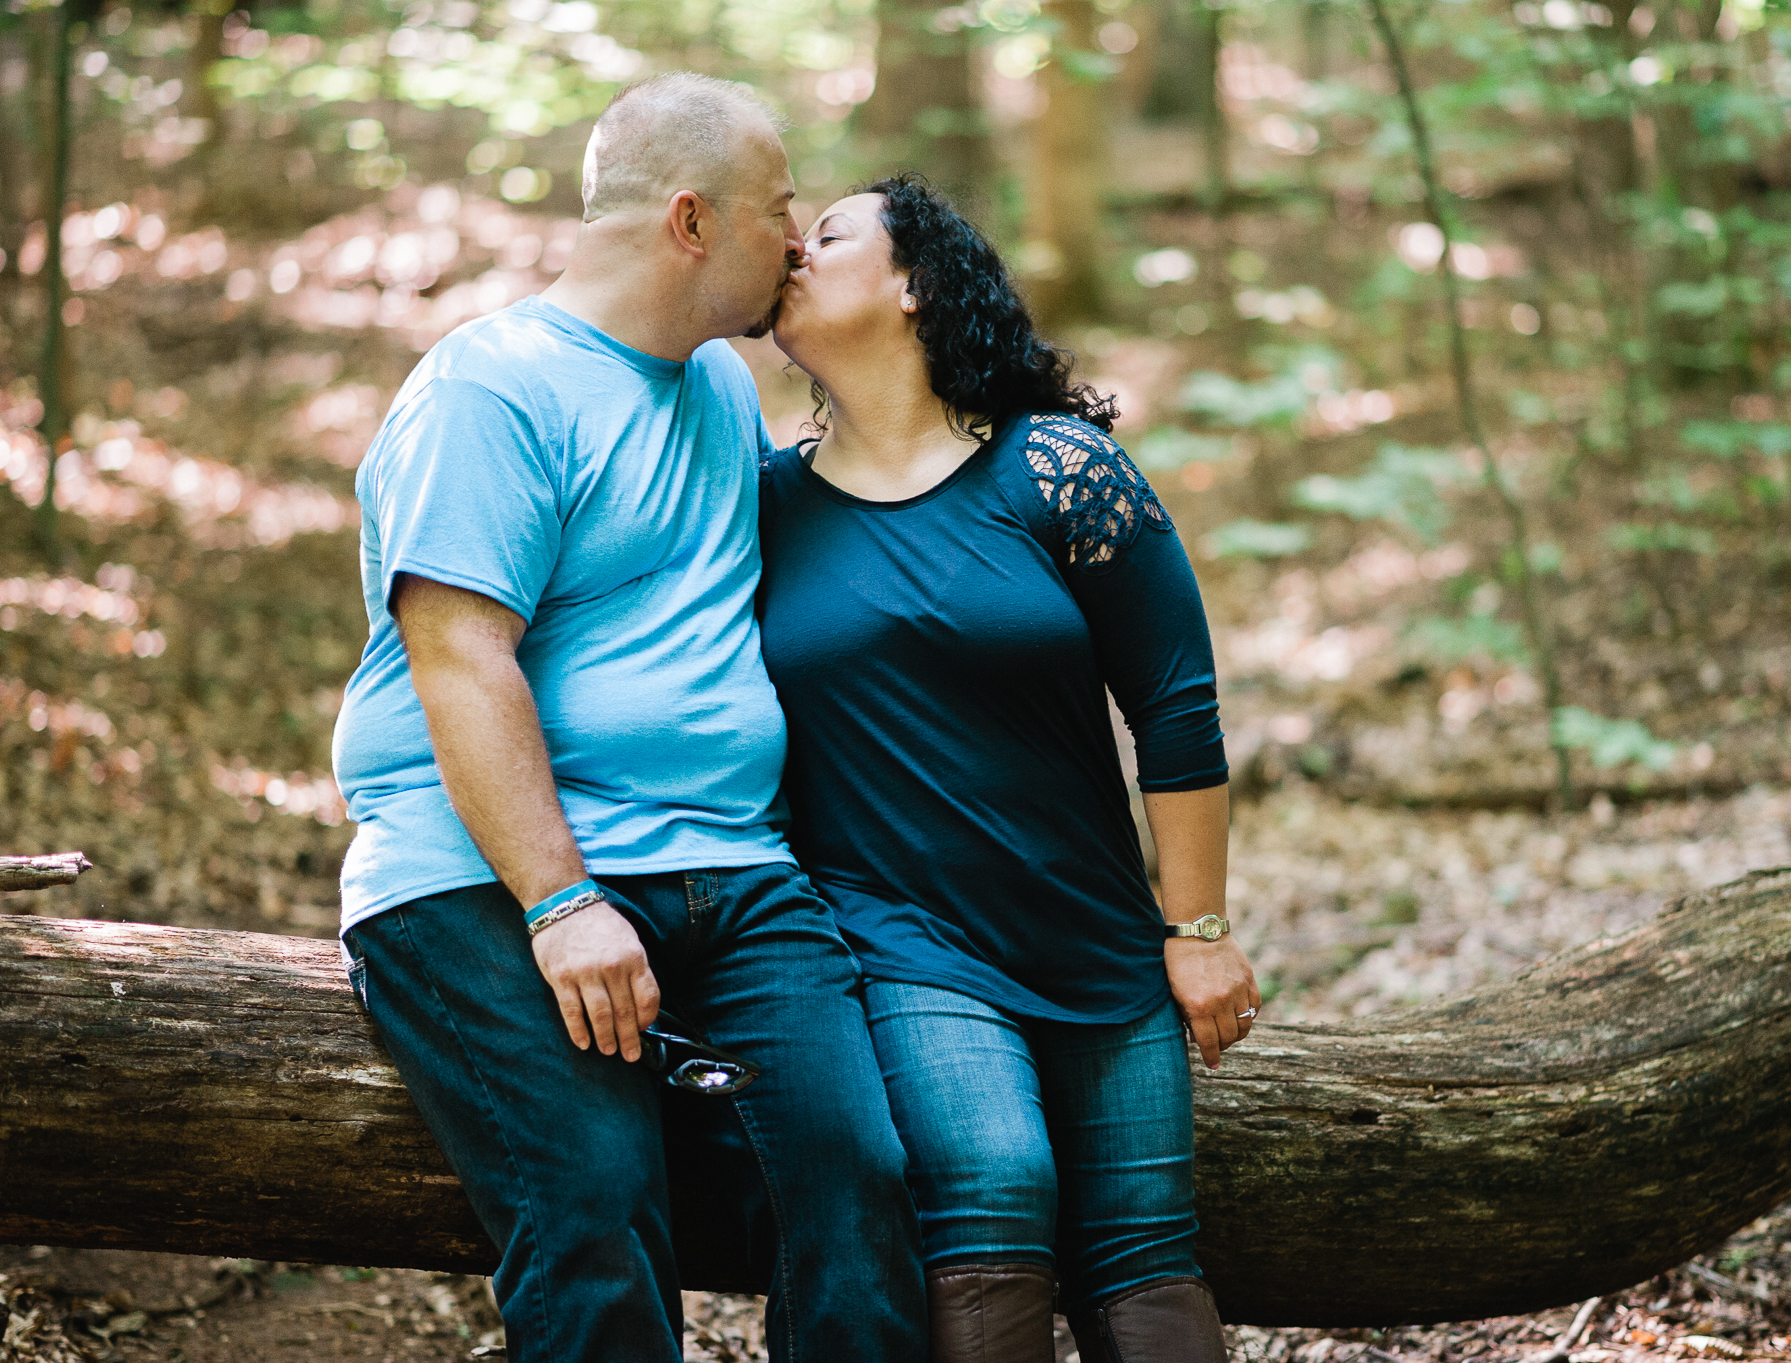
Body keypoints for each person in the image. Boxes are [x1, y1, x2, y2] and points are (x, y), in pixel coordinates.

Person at [329, 75, 925, 1363]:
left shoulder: (716, 386)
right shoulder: (489, 389)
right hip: (485, 873)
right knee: (594, 1202)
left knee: (859, 1180)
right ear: (693, 222)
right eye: (782, 211)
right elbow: (460, 654)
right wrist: (559, 902)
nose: (801, 237)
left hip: (729, 871)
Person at [757, 174, 1259, 1363]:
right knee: (993, 1179)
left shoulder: (1059, 471)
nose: (793, 250)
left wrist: (1194, 926)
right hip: (900, 936)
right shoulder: (760, 506)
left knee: (1145, 1254)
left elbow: (1175, 707)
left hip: (1091, 930)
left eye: (827, 235)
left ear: (915, 285)